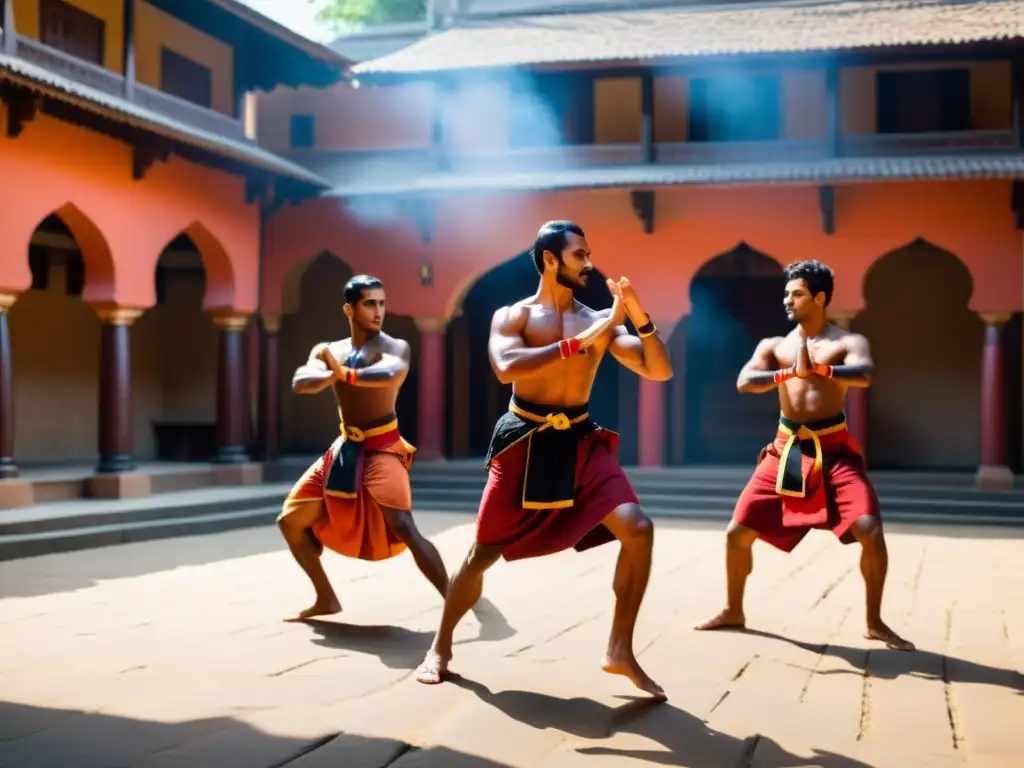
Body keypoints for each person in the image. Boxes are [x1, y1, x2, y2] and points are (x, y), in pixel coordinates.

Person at [414, 220, 674, 697]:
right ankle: (441, 646)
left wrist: (639, 317)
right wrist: (584, 340)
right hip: (523, 437)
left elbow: (659, 370)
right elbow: (505, 366)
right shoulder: (513, 316)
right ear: (551, 259)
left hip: (579, 438)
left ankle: (620, 650)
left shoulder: (596, 318)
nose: (589, 264)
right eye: (580, 255)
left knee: (638, 527)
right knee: (481, 555)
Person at [694, 260, 914, 651]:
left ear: (820, 297)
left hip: (835, 453)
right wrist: (788, 373)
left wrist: (824, 371)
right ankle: (733, 610)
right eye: (786, 294)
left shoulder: (846, 342)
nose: (787, 301)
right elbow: (745, 382)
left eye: (795, 294)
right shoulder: (774, 346)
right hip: (788, 451)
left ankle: (874, 621)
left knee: (870, 530)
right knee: (737, 534)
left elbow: (866, 374)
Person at [276, 274, 449, 622]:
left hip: (384, 446)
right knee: (290, 522)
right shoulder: (330, 351)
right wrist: (331, 374)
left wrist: (345, 375)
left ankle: (454, 597)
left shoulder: (394, 345)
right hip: (346, 446)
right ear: (349, 308)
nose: (378, 311)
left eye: (382, 303)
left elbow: (390, 373)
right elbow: (300, 381)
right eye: (370, 303)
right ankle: (326, 598)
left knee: (402, 523)